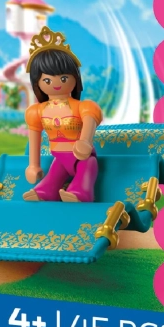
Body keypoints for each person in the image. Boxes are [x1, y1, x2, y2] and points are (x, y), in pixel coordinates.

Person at [22, 26, 103, 202]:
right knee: (51, 178)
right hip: (59, 159)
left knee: (86, 173)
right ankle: (45, 192)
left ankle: (80, 192)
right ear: (37, 83)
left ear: (75, 78)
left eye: (63, 78)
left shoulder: (83, 106)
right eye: (47, 80)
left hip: (83, 158)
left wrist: (85, 141)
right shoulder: (37, 111)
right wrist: (33, 165)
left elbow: (90, 120)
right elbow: (34, 137)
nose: (56, 83)